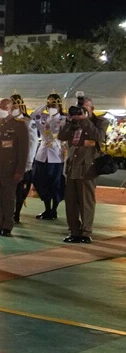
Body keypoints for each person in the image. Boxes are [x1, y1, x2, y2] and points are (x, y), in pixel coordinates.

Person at [58, 96, 108, 244]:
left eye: (85, 108)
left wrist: (84, 120)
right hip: (73, 167)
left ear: (92, 109)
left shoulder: (100, 122)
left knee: (86, 202)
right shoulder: (74, 123)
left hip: (88, 168)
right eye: (79, 108)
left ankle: (86, 232)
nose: (81, 111)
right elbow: (62, 136)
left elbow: (99, 136)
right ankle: (74, 231)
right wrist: (69, 121)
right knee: (71, 202)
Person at [0, 98, 29, 236]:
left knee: (8, 198)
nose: (0, 109)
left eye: (4, 107)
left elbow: (23, 150)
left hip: (9, 169)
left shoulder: (19, 126)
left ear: (11, 109)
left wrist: (20, 171)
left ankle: (7, 225)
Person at [31, 94, 66, 220]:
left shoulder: (64, 119)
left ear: (59, 106)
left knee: (55, 184)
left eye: (53, 105)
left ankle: (54, 210)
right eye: (49, 105)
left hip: (56, 156)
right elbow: (33, 116)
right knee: (41, 182)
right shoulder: (43, 118)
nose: (51, 107)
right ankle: (46, 209)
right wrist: (44, 106)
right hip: (42, 156)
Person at [10, 94, 39, 224]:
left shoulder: (27, 122)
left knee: (19, 189)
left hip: (21, 160)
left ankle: (16, 213)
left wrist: (28, 162)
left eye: (14, 106)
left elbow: (33, 143)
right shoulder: (6, 120)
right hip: (8, 160)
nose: (12, 108)